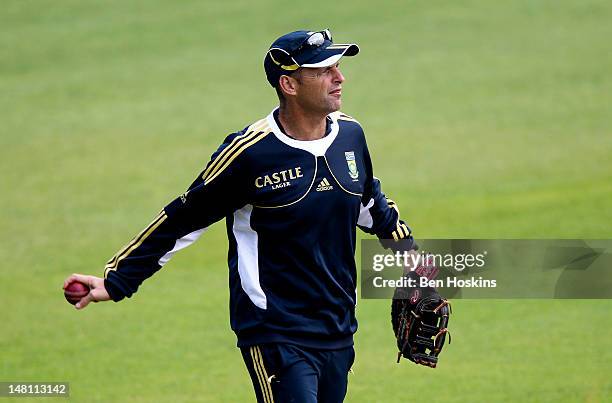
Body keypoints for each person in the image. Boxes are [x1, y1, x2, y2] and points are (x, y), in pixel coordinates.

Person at [64, 29, 415, 403]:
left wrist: (415, 263)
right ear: (289, 84)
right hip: (274, 330)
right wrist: (116, 281)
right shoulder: (250, 153)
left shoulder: (350, 134)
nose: (339, 78)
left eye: (337, 68)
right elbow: (184, 218)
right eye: (323, 70)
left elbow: (371, 205)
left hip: (338, 326)